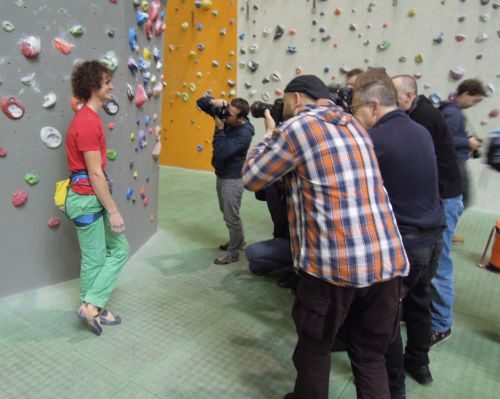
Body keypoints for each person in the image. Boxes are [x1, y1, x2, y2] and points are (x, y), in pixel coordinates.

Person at [242, 74, 409, 399]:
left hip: (333, 270)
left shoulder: (298, 127)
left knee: (314, 350)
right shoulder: (355, 126)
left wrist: (271, 131)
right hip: (388, 267)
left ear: (297, 99)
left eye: (286, 102)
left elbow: (251, 178)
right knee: (370, 357)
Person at [352, 71, 445, 398]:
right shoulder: (420, 130)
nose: (357, 120)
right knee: (420, 304)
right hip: (433, 239)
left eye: (358, 112)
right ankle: (419, 363)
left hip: (404, 243)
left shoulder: (375, 140)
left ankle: (395, 389)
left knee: (385, 320)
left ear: (374, 107)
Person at [392, 75, 464, 347]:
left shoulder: (423, 118)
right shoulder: (417, 114)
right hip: (435, 197)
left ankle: (441, 324)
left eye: (393, 96)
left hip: (444, 198)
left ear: (409, 96)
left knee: (440, 264)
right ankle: (419, 314)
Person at [65, 60, 129, 336]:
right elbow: (94, 172)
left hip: (89, 197)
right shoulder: (88, 122)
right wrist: (113, 210)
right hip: (86, 198)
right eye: (107, 81)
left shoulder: (89, 118)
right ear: (94, 86)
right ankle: (92, 308)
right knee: (94, 259)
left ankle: (93, 306)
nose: (112, 86)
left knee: (118, 249)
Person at [429, 79, 486, 342]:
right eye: (474, 100)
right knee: (440, 262)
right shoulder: (451, 113)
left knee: (439, 259)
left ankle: (439, 319)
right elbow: (448, 141)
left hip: (448, 193)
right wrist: (469, 143)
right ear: (464, 93)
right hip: (450, 191)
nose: (474, 104)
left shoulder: (448, 111)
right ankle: (441, 322)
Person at [196, 96, 254, 264]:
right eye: (226, 112)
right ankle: (239, 241)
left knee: (231, 216)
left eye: (230, 116)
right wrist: (214, 101)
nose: (225, 117)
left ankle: (234, 252)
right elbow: (200, 103)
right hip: (222, 174)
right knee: (228, 212)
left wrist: (220, 129)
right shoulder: (226, 114)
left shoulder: (244, 134)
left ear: (241, 118)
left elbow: (221, 151)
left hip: (232, 179)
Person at [244, 182, 296, 289]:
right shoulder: (275, 188)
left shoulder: (296, 189)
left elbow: (279, 220)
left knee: (252, 253)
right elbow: (259, 194)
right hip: (283, 237)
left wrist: (271, 188)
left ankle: (295, 271)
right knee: (255, 267)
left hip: (298, 244)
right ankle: (289, 265)